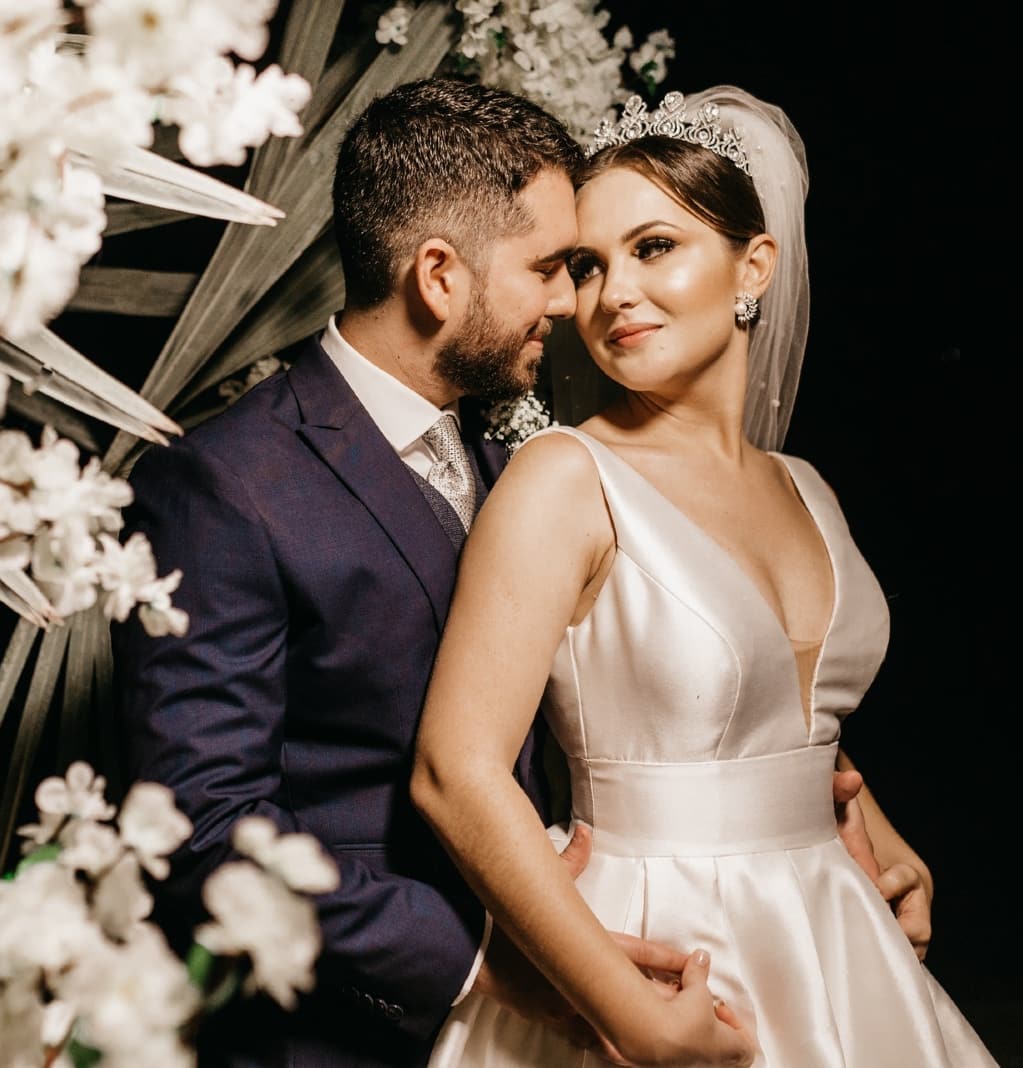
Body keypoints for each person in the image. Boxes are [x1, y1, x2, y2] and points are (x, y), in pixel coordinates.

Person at [111, 77, 696, 1068]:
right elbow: (203, 832)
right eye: (550, 266)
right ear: (438, 274)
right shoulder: (219, 486)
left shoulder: (518, 467)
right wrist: (475, 963)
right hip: (344, 1038)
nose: (571, 298)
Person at [412, 86, 998, 1066]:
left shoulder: (805, 489)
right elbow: (452, 771)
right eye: (586, 266)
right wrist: (626, 1014)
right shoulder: (564, 478)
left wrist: (880, 837)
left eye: (652, 248)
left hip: (832, 938)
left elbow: (792, 713)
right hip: (654, 956)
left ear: (753, 265)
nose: (612, 296)